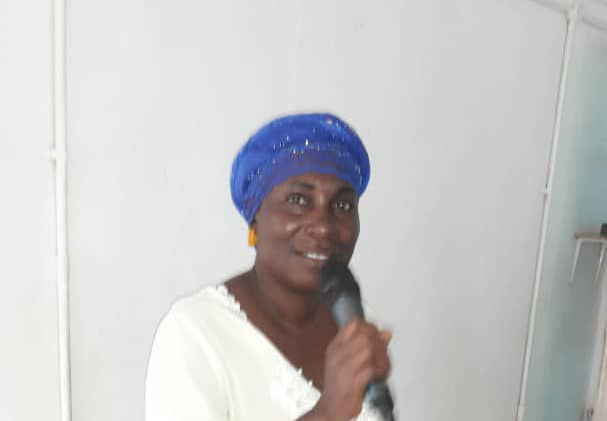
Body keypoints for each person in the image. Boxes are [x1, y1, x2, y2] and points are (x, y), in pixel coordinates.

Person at [145, 113, 393, 421]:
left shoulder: (356, 321)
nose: (323, 227)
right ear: (255, 220)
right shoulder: (194, 332)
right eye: (298, 200)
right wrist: (329, 412)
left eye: (342, 205)